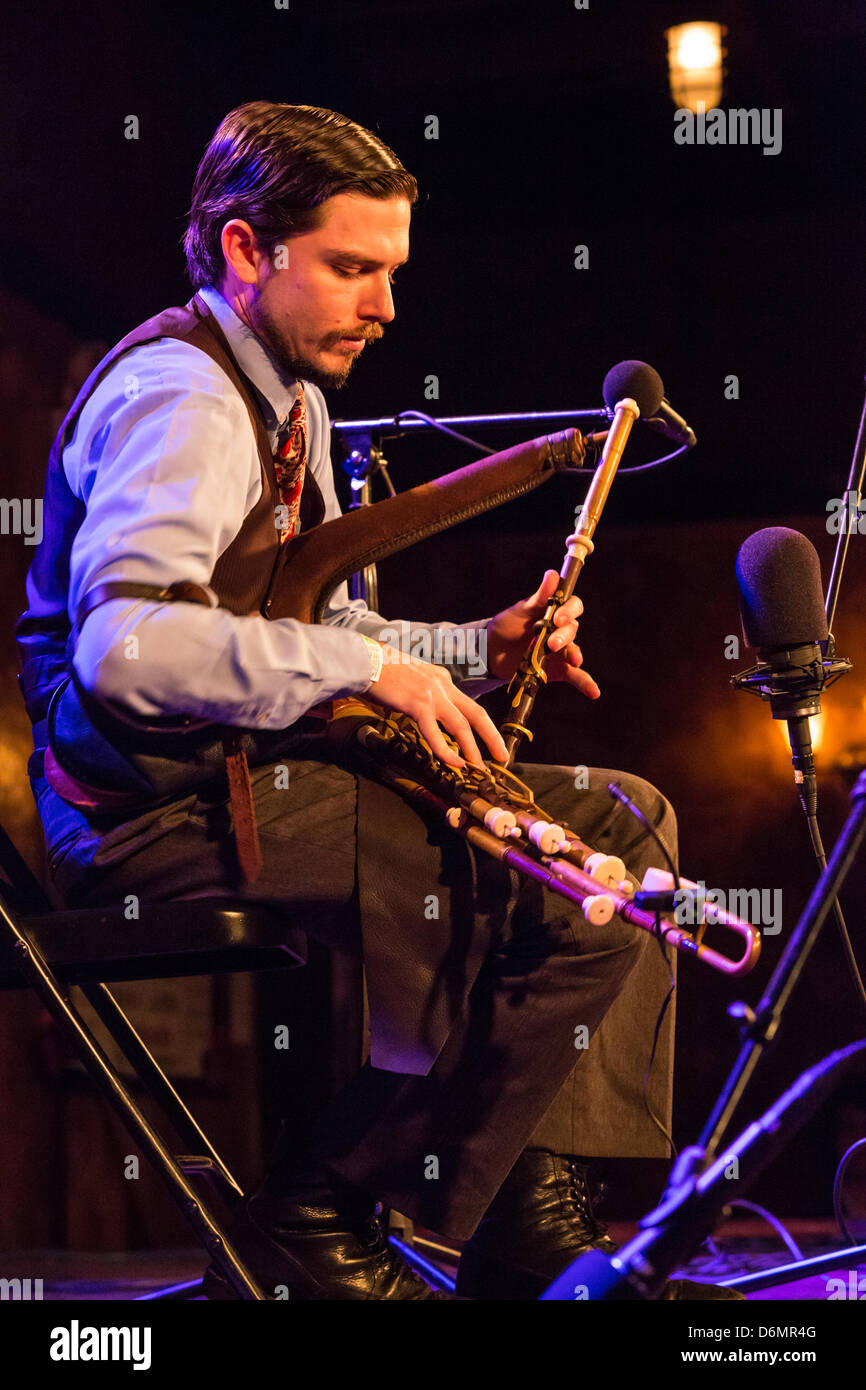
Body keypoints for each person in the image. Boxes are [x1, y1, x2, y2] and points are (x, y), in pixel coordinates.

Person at [14, 102, 740, 1301]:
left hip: (249, 777)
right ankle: (320, 1211)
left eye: (390, 271)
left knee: (625, 823)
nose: (384, 305)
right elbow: (130, 652)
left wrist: (470, 646)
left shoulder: (293, 393)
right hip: (148, 814)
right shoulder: (182, 400)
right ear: (246, 249)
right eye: (352, 268)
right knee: (516, 870)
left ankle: (529, 1221)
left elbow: (308, 620)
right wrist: (371, 674)